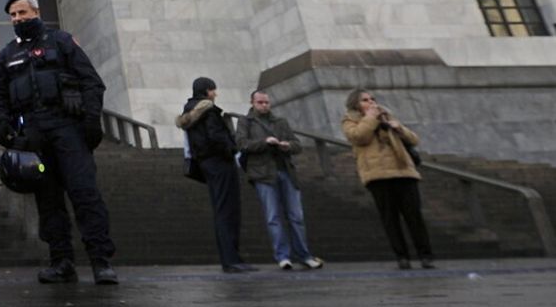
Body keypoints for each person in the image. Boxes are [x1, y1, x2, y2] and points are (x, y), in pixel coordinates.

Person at [0, 0, 118, 286]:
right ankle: (61, 261)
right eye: (13, 15)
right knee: (48, 202)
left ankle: (101, 261)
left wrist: (90, 120)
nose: (17, 19)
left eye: (22, 13)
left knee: (85, 194)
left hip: (67, 129)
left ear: (36, 12)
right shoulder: (8, 54)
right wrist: (4, 124)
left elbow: (91, 82)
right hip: (34, 136)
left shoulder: (61, 42)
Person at [343, 89, 434, 270]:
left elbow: (414, 140)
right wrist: (370, 118)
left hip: (403, 171)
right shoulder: (350, 120)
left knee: (414, 216)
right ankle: (402, 257)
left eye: (372, 99)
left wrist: (398, 128)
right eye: (365, 100)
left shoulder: (386, 115)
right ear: (356, 104)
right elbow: (359, 137)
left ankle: (425, 255)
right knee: (390, 218)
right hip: (377, 175)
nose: (371, 102)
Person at [238, 90, 324, 271]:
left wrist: (287, 145)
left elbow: (297, 144)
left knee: (296, 216)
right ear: (252, 103)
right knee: (273, 217)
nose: (264, 105)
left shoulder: (280, 122)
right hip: (263, 175)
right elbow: (242, 144)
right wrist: (264, 142)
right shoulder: (246, 122)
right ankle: (283, 256)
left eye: (266, 102)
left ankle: (304, 255)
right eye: (260, 102)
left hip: (285, 172)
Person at [177, 77, 254, 273]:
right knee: (228, 211)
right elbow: (216, 137)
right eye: (213, 90)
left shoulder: (189, 113)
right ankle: (232, 259)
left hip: (206, 164)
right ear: (206, 91)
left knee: (221, 211)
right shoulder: (208, 111)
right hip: (220, 163)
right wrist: (232, 150)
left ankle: (230, 258)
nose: (215, 94)